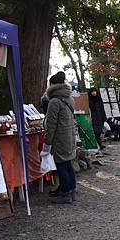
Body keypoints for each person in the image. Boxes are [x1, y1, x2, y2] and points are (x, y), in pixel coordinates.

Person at [42, 71, 76, 204]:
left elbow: (51, 125)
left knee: (61, 165)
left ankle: (66, 193)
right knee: (68, 164)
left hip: (60, 138)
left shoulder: (54, 101)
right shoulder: (69, 98)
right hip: (69, 136)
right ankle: (70, 190)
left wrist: (47, 142)